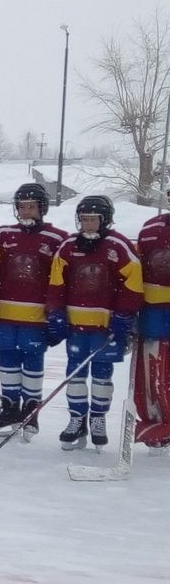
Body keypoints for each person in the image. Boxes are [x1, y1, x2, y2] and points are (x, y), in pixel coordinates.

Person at [46, 195, 143, 450]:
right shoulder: (68, 246)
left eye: (93, 220)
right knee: (75, 375)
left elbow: (132, 285)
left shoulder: (119, 246)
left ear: (105, 220)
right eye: (84, 220)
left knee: (102, 375)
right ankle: (77, 419)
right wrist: (55, 312)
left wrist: (124, 316)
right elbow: (57, 283)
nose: (88, 224)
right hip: (76, 326)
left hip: (106, 327)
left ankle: (98, 419)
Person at [0, 183, 68, 439]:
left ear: (42, 208)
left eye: (31, 206)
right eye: (21, 206)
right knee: (7, 359)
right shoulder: (4, 234)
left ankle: (31, 410)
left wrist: (57, 312)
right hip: (7, 313)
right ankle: (10, 407)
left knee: (32, 360)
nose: (26, 211)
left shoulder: (57, 238)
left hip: (37, 316)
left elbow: (61, 278)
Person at [134, 188, 170, 452]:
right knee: (154, 375)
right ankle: (159, 425)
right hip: (155, 314)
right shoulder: (150, 230)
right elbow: (136, 271)